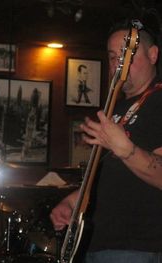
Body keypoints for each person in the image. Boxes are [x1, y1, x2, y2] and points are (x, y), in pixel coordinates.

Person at [50, 19, 162, 263]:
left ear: (153, 55)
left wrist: (127, 151)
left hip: (139, 246)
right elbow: (108, 178)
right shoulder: (115, 107)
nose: (118, 63)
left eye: (126, 54)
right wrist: (72, 202)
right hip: (96, 243)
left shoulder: (159, 101)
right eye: (112, 56)